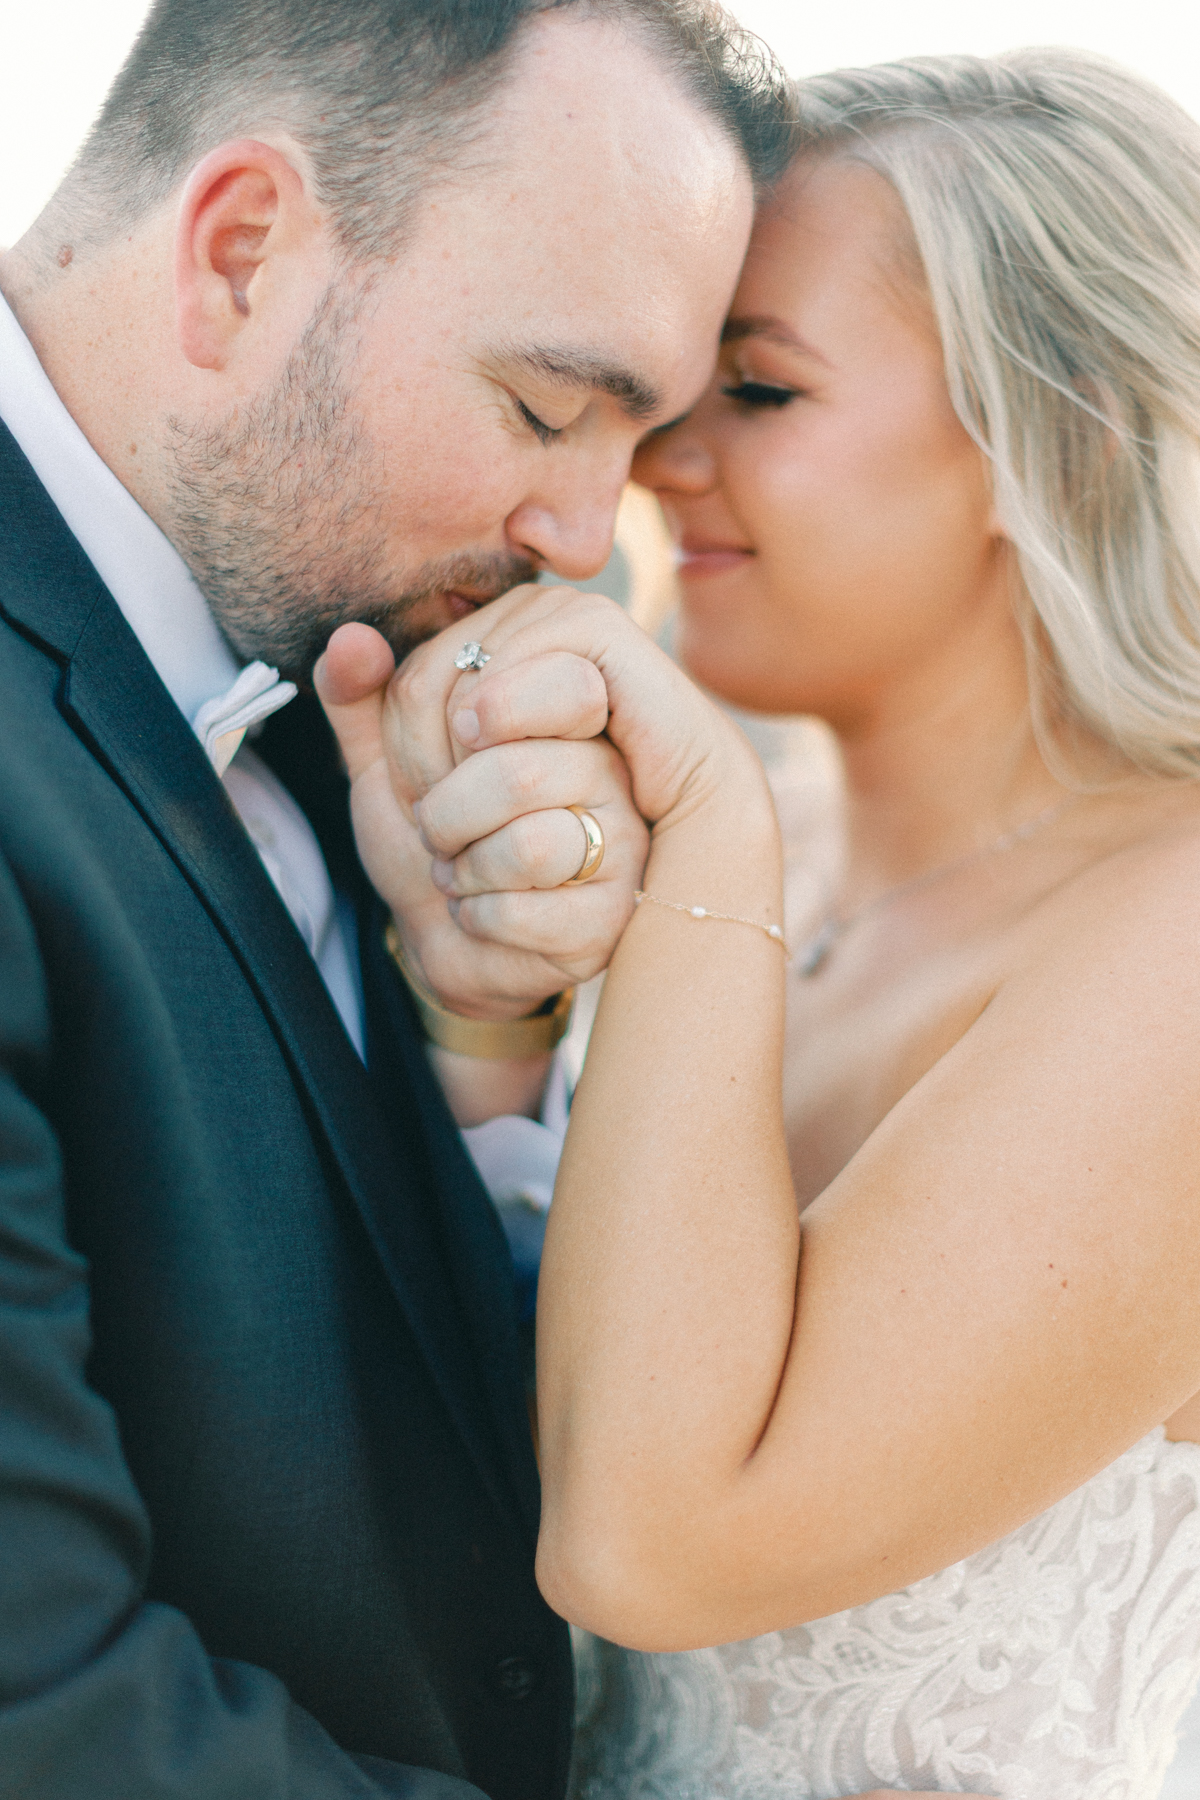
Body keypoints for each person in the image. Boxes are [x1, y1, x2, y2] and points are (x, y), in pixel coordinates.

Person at [374, 48, 1200, 1800]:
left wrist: (703, 837)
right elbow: (539, 1435)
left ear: (1064, 434)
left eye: (756, 389)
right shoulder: (793, 871)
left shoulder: (1177, 939)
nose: (654, 462)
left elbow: (649, 1547)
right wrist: (490, 1014)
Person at [0, 2, 794, 1795]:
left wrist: (479, 1040)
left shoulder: (328, 648)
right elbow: (45, 1712)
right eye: (545, 409)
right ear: (240, 252)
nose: (586, 535)